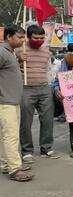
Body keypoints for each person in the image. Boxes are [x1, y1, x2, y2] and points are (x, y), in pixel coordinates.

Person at [15, 25, 60, 164]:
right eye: (36, 38)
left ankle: (46, 148)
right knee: (25, 122)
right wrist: (18, 59)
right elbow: (9, 69)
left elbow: (49, 70)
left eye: (42, 38)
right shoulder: (19, 50)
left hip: (44, 88)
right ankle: (27, 151)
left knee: (47, 120)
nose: (39, 40)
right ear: (28, 37)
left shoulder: (47, 52)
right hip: (25, 88)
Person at [0, 24, 34, 181]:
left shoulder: (10, 53)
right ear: (8, 37)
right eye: (20, 37)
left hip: (12, 100)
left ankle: (6, 164)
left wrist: (19, 60)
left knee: (7, 136)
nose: (23, 40)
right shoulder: (1, 52)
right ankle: (15, 169)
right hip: (5, 102)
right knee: (11, 136)